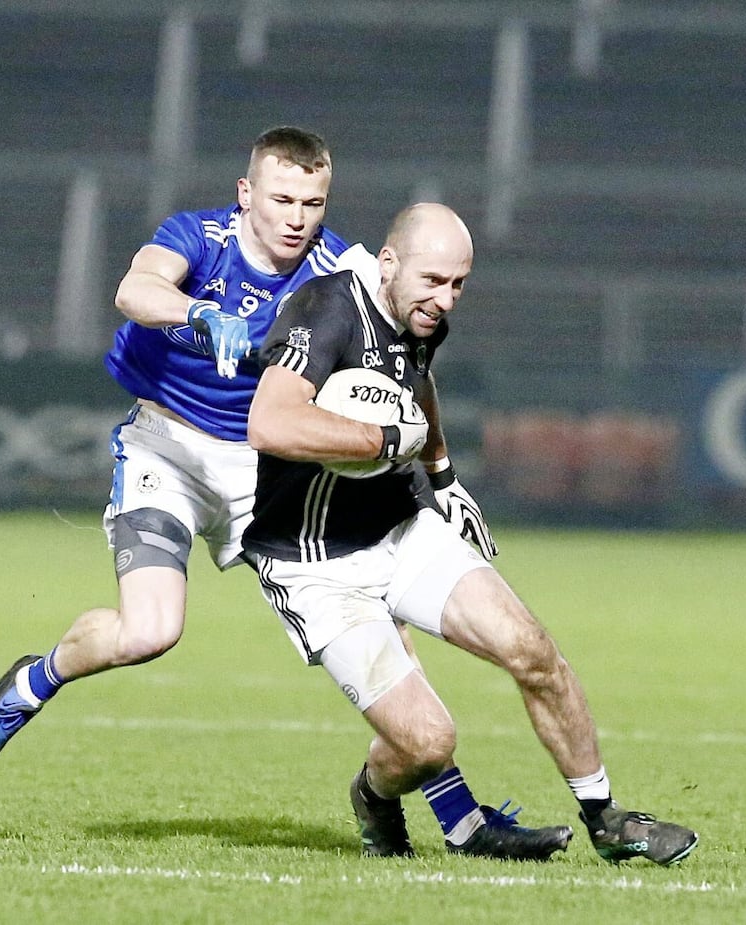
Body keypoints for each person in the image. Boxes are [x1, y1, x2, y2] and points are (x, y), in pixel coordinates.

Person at [0, 127, 545, 861]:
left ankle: (460, 819)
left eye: (313, 202)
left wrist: (441, 471)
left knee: (382, 610)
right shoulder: (198, 238)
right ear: (247, 195)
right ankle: (33, 681)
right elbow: (135, 287)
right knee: (149, 632)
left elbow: (409, 357)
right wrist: (196, 312)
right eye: (283, 199)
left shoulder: (344, 269)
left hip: (264, 470)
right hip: (165, 448)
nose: (298, 217)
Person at [242, 202, 700, 866]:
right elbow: (271, 424)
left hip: (400, 528)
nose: (444, 298)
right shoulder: (326, 310)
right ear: (388, 263)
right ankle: (374, 794)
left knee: (533, 651)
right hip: (315, 563)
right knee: (427, 742)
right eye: (432, 280)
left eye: (458, 283)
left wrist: (445, 476)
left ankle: (608, 819)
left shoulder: (423, 316)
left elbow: (416, 384)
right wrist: (379, 438)